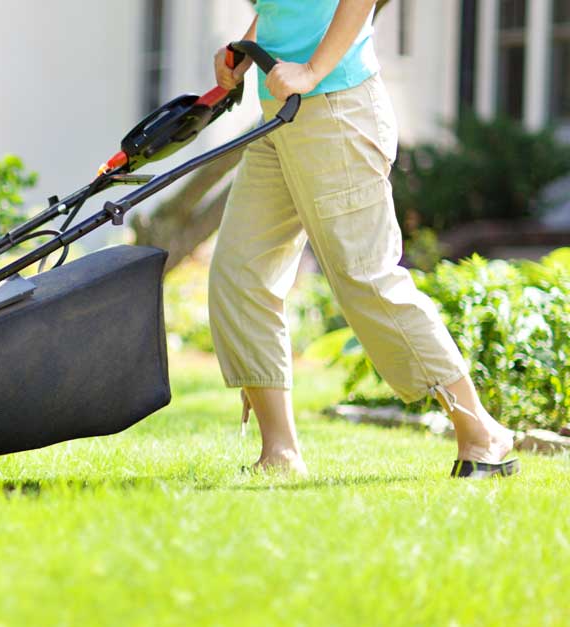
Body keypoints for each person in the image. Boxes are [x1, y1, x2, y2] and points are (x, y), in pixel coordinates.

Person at [209, 0, 517, 478]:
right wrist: (249, 44)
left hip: (334, 106)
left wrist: (311, 70)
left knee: (365, 277)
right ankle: (280, 453)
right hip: (280, 111)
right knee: (240, 270)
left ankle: (481, 432)